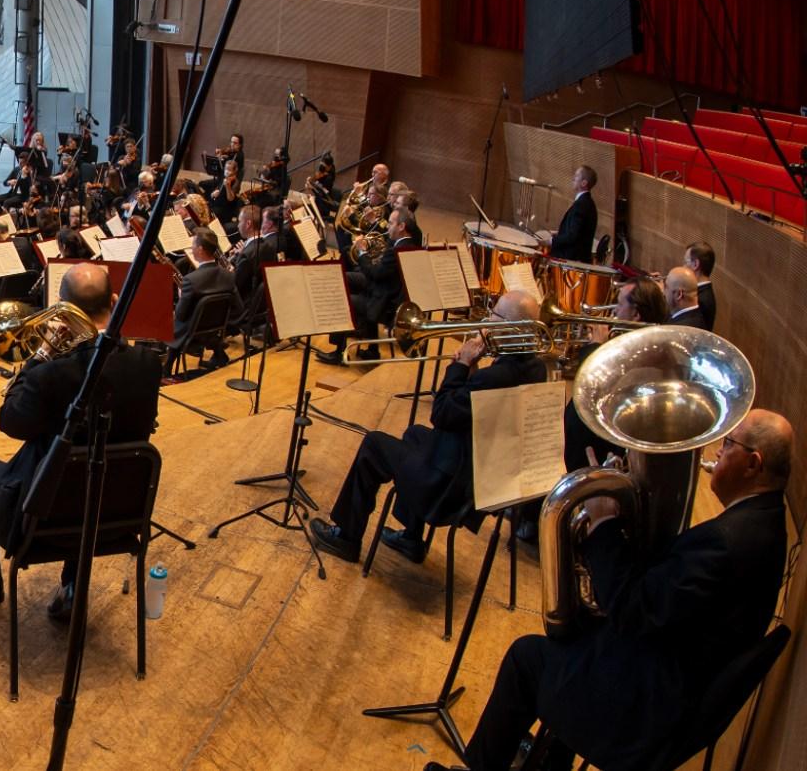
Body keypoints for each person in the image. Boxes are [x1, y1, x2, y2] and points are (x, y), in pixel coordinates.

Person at [429, 410, 792, 771]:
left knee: (526, 660)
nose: (717, 452)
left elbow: (631, 609)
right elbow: (672, 594)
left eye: (728, 444)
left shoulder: (726, 542)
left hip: (640, 713)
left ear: (752, 464)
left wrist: (602, 524)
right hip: (669, 683)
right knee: (577, 636)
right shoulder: (764, 524)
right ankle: (552, 760)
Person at [0, 262, 161, 617]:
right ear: (114, 299)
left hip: (41, 521)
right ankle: (71, 586)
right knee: (87, 468)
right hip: (117, 515)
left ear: (61, 311)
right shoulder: (148, 364)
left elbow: (11, 423)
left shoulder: (51, 373)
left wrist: (40, 358)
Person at [309, 289, 548, 564]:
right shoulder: (534, 367)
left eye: (495, 314)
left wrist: (460, 365)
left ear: (510, 327)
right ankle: (411, 538)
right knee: (414, 434)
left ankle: (346, 538)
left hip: (449, 488)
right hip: (478, 470)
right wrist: (469, 371)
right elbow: (470, 412)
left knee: (374, 444)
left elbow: (442, 413)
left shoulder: (498, 376)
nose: (488, 319)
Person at [561, 277, 666, 472]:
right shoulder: (632, 342)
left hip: (603, 455)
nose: (614, 312)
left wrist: (595, 348)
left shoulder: (647, 350)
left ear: (635, 313)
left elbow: (595, 385)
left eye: (619, 304)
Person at [320, 209, 422, 365]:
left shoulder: (397, 250)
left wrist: (361, 252)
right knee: (346, 278)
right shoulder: (408, 244)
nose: (388, 226)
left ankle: (339, 352)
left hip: (383, 302)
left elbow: (375, 273)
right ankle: (371, 347)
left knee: (342, 301)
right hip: (387, 290)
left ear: (401, 226)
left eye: (391, 223)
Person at [168, 228, 239, 373]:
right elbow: (239, 307)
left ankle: (166, 365)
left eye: (192, 245)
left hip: (190, 332)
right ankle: (219, 353)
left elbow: (180, 315)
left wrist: (181, 296)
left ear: (200, 249)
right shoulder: (229, 276)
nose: (191, 249)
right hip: (215, 330)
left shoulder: (191, 280)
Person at [548, 165, 598, 262]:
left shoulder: (582, 204)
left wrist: (551, 241)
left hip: (571, 259)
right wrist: (560, 233)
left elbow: (572, 237)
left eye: (576, 176)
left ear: (584, 183)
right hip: (575, 256)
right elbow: (579, 232)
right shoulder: (586, 202)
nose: (573, 178)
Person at [683, 240, 716, 331]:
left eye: (686, 262)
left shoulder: (701, 299)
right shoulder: (702, 291)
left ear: (695, 264)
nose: (683, 267)